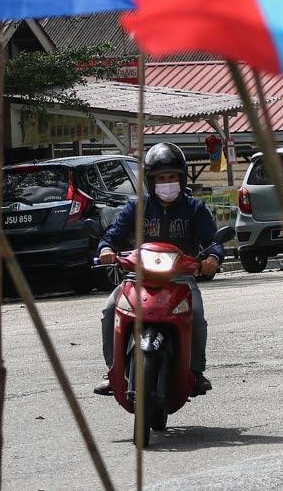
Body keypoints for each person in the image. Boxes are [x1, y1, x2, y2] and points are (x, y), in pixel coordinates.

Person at [94, 142, 223, 396]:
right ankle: (114, 373)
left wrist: (213, 259)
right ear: (151, 181)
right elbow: (112, 236)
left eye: (172, 177)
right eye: (161, 178)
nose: (167, 182)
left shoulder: (194, 209)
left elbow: (214, 242)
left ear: (182, 178)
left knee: (196, 315)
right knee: (110, 310)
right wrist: (106, 250)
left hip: (181, 279)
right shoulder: (136, 208)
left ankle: (196, 372)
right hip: (137, 277)